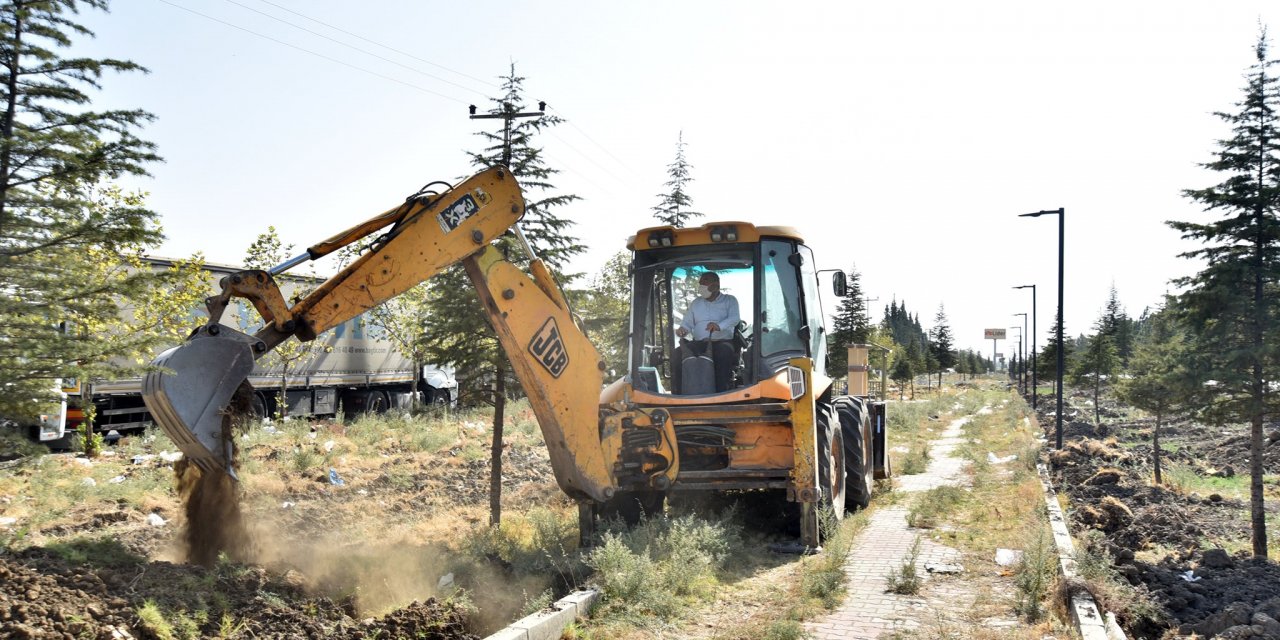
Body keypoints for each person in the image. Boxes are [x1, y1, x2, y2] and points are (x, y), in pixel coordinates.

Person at [672, 271, 740, 393]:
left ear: (716, 285)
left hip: (722, 343)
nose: (701, 285)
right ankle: (679, 394)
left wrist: (719, 326)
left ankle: (720, 395)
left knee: (723, 353)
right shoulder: (696, 303)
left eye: (705, 281)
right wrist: (683, 329)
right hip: (699, 343)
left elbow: (735, 318)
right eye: (700, 282)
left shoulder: (730, 300)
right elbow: (687, 323)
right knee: (677, 353)